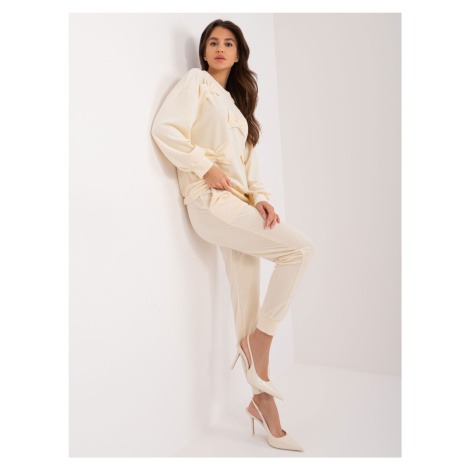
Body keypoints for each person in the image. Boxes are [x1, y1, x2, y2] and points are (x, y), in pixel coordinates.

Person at [151, 19, 314, 452]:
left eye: (228, 43)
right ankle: (259, 341)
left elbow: (250, 170)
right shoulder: (196, 83)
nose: (220, 48)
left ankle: (262, 404)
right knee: (299, 250)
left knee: (247, 300)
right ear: (204, 52)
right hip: (209, 201)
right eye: (212, 42)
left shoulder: (240, 113)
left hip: (239, 206)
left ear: (239, 54)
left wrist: (260, 199)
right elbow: (165, 129)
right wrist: (205, 167)